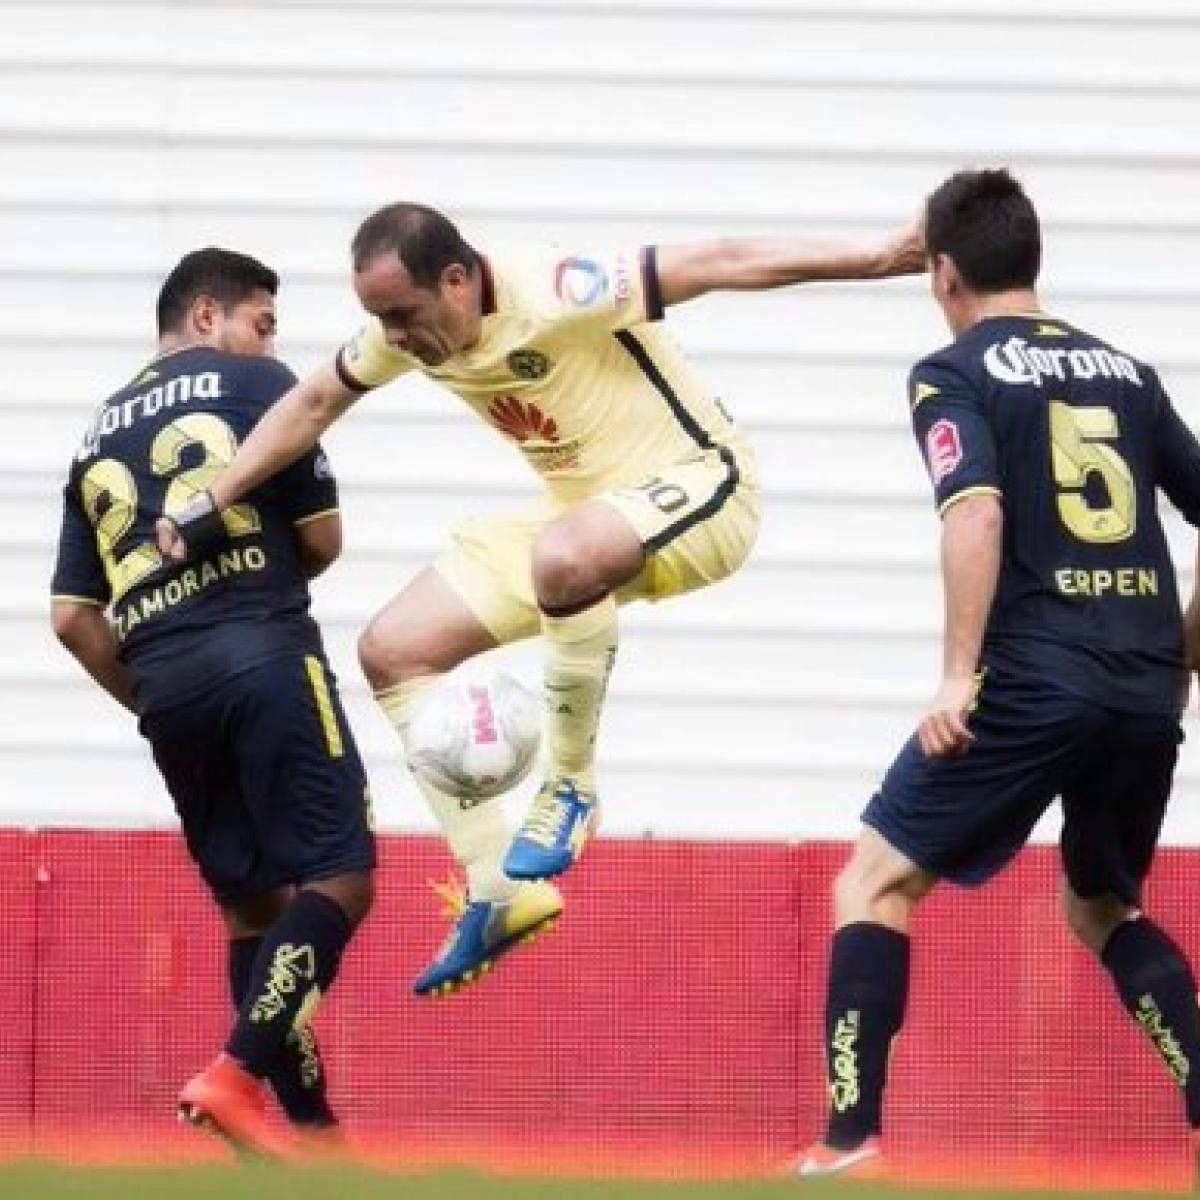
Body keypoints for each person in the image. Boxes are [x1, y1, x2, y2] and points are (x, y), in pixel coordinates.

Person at [157, 204, 924, 997]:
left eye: (405, 314)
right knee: (391, 649)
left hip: (704, 487)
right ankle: (496, 888)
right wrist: (212, 499)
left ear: (457, 280)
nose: (395, 336)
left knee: (564, 557)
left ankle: (571, 788)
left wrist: (876, 258)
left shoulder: (556, 289)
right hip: (581, 516)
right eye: (380, 319)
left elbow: (719, 258)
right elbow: (313, 402)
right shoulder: (400, 334)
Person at [799, 168, 1200, 1178]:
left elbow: (976, 511)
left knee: (874, 881)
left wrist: (955, 678)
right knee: (1100, 906)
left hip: (1033, 681)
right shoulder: (1128, 373)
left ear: (943, 273)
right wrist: (1183, 655)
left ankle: (847, 1144)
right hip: (1144, 688)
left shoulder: (953, 372)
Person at [51, 248, 375, 1158]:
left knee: (252, 910)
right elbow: (323, 539)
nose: (270, 341)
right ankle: (234, 1077)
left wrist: (151, 698)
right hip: (265, 656)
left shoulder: (93, 437)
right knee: (342, 876)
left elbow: (72, 618)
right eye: (262, 321)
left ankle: (314, 1138)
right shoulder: (258, 384)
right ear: (206, 315)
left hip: (167, 689)